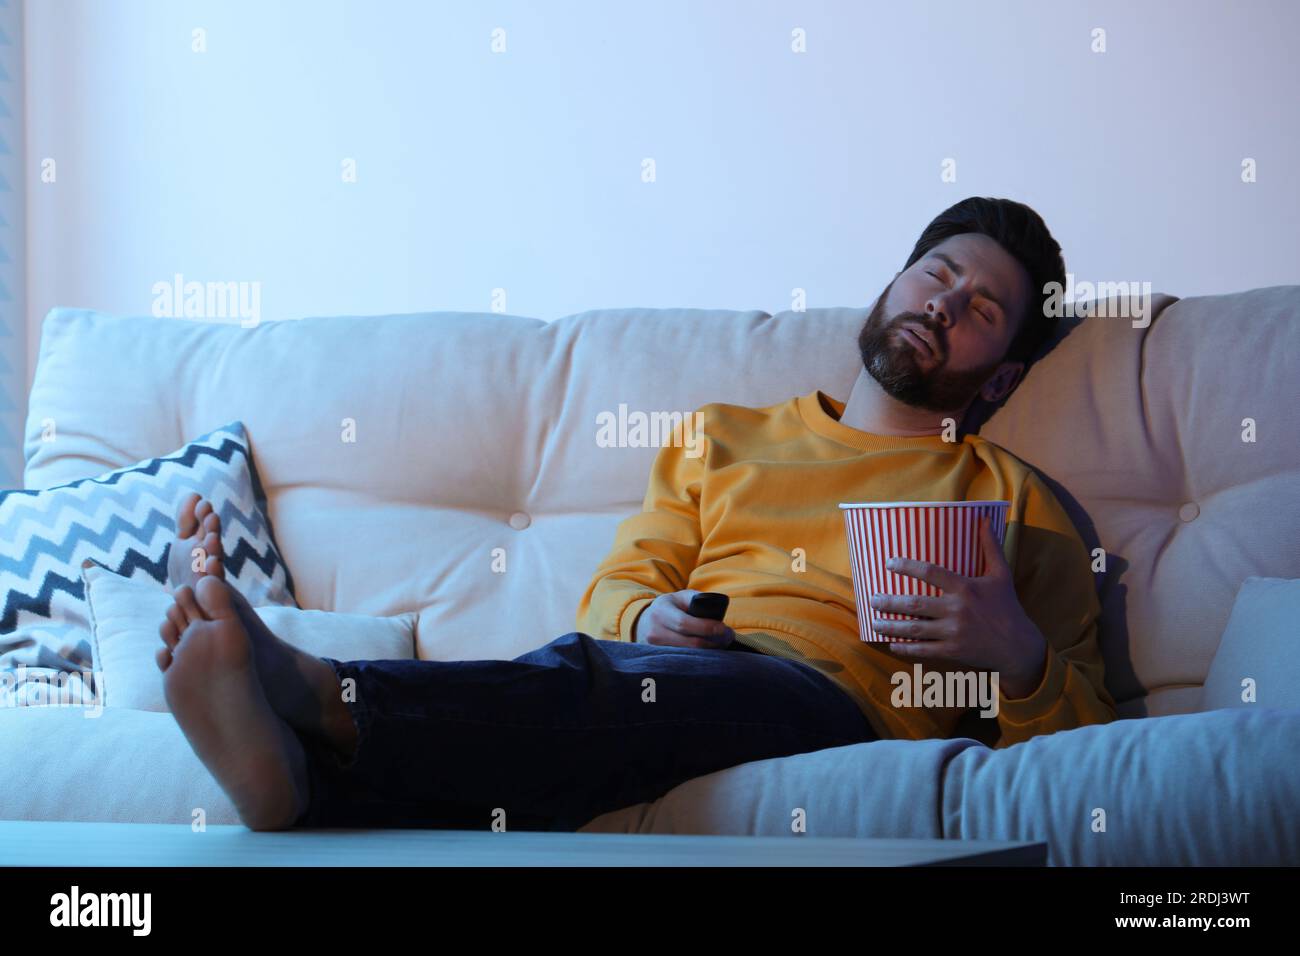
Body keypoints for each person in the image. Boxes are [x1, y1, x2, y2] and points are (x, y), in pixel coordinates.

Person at [157, 196, 1118, 832]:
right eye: (934, 274)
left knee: (601, 686)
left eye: (982, 309)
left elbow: (1090, 754)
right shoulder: (724, 438)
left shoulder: (1013, 501)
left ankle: (320, 694)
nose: (943, 305)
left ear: (1000, 376)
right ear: (891, 285)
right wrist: (643, 619)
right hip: (682, 670)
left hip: (843, 707)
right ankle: (301, 783)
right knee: (606, 687)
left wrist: (1017, 654)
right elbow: (617, 590)